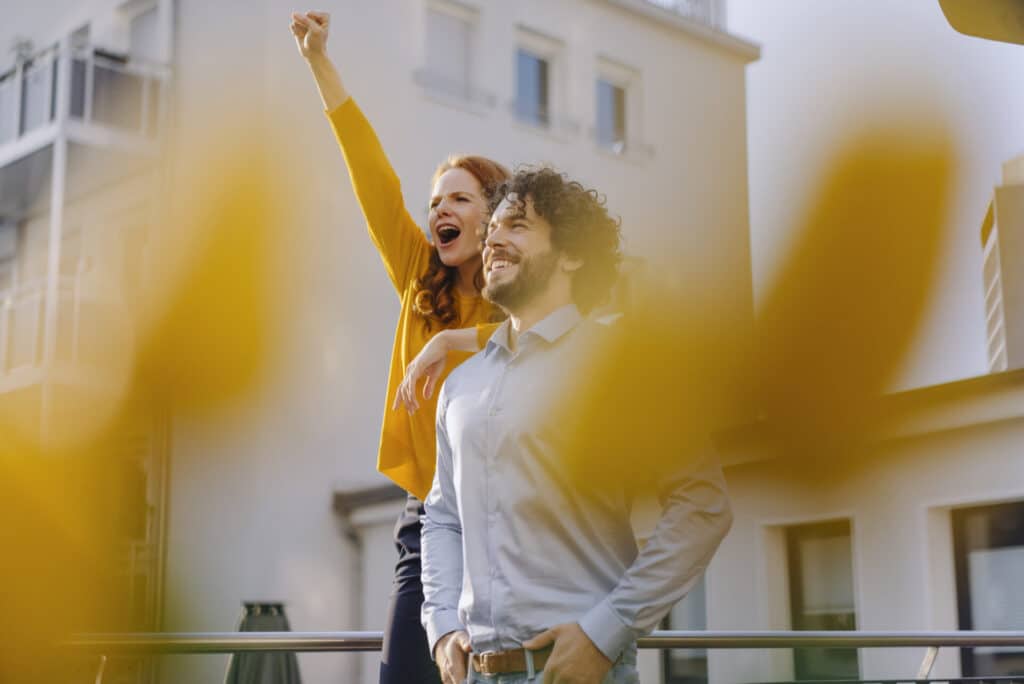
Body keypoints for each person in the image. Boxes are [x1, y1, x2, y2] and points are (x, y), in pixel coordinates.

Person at [421, 167, 733, 684]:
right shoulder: (460, 386)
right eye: (492, 227)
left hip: (581, 672)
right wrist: (442, 626)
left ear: (571, 254)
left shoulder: (623, 367)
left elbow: (702, 505)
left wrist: (607, 630)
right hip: (475, 674)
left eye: (516, 226)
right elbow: (442, 518)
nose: (492, 237)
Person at [289, 11, 508, 684]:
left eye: (459, 198)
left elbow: (554, 341)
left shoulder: (522, 299)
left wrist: (449, 342)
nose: (440, 209)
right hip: (430, 519)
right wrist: (318, 59)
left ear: (494, 214)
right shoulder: (421, 277)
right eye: (435, 199)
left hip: (510, 518)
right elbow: (369, 171)